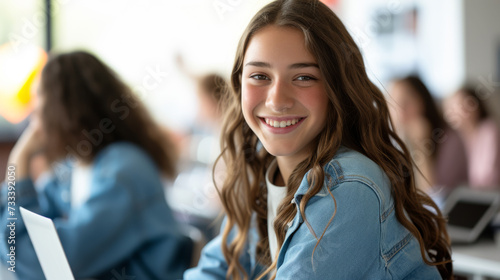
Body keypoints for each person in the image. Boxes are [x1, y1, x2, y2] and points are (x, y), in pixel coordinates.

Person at [184, 0, 452, 279]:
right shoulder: (262, 171)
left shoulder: (348, 187)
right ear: (240, 85)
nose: (276, 100)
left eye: (303, 77)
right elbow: (212, 271)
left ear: (337, 87)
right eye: (260, 76)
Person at [0, 51, 192, 279]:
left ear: (63, 109)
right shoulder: (76, 167)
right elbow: (18, 244)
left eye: (39, 99)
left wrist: (18, 161)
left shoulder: (124, 171)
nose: (34, 114)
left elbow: (42, 263)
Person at [389, 76, 468, 195]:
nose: (400, 112)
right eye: (393, 105)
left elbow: (433, 195)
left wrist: (421, 146)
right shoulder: (397, 140)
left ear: (422, 101)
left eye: (405, 103)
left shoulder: (450, 139)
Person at [444, 86, 500, 189]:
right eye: (453, 108)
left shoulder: (489, 130)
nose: (461, 112)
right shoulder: (454, 138)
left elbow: (487, 176)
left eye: (466, 106)